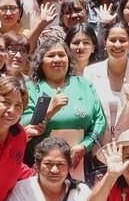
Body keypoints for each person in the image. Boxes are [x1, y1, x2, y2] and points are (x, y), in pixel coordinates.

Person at [21, 38, 106, 171]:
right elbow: (24, 125)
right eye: (50, 55)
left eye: (61, 55)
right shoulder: (31, 88)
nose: (57, 59)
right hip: (42, 166)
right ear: (41, 61)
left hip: (80, 165)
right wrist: (49, 111)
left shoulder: (83, 84)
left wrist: (85, 146)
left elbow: (99, 121)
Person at [83, 22, 129, 149]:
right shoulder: (90, 73)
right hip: (100, 149)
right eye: (112, 40)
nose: (117, 45)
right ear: (105, 43)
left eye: (122, 40)